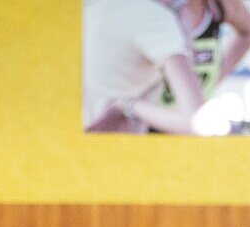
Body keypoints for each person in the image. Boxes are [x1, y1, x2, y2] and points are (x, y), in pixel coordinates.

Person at [82, 0, 205, 134]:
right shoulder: (154, 18)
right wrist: (127, 106)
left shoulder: (94, 7)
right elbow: (197, 122)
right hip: (110, 145)